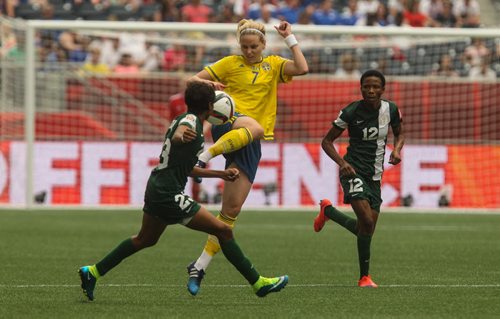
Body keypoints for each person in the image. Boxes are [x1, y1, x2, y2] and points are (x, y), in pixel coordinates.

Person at [77, 82, 289, 301]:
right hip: (169, 194)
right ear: (210, 105)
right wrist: (180, 137)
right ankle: (258, 283)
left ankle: (92, 272)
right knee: (223, 231)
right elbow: (181, 133)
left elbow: (187, 168)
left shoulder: (186, 118)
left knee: (145, 239)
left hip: (157, 187)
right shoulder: (191, 122)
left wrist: (221, 174)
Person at [185, 19, 308, 296]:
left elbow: (302, 68)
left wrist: (290, 38)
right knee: (254, 126)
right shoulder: (230, 63)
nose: (249, 51)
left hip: (250, 143)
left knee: (229, 214)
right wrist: (211, 85)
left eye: (254, 46)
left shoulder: (274, 65)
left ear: (263, 45)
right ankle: (204, 155)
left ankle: (199, 266)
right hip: (227, 124)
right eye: (245, 46)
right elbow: (191, 80)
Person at [313, 69, 405, 288]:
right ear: (361, 88)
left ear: (383, 89)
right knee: (366, 221)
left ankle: (328, 211)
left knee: (366, 228)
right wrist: (343, 163)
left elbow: (400, 133)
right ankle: (364, 278)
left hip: (375, 176)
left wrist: (397, 150)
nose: (371, 90)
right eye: (366, 86)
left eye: (375, 87)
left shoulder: (390, 109)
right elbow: (326, 142)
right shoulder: (351, 111)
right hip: (352, 171)